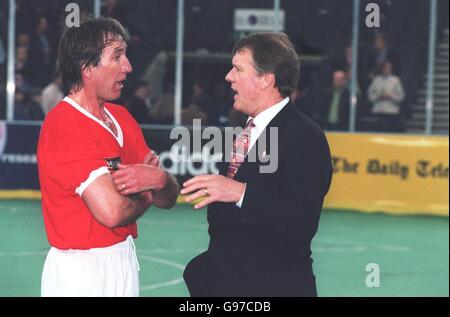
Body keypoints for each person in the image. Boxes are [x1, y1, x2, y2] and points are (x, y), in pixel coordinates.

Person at [181, 32, 333, 297]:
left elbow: (301, 223)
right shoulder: (240, 129)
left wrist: (240, 193)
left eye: (238, 69)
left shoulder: (305, 136)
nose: (229, 77)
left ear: (266, 79)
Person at [37, 17, 179, 297]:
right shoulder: (64, 124)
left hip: (123, 261)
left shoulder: (123, 118)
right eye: (117, 56)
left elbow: (168, 196)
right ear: (87, 68)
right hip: (80, 274)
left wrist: (160, 179)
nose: (128, 67)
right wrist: (149, 191)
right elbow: (112, 212)